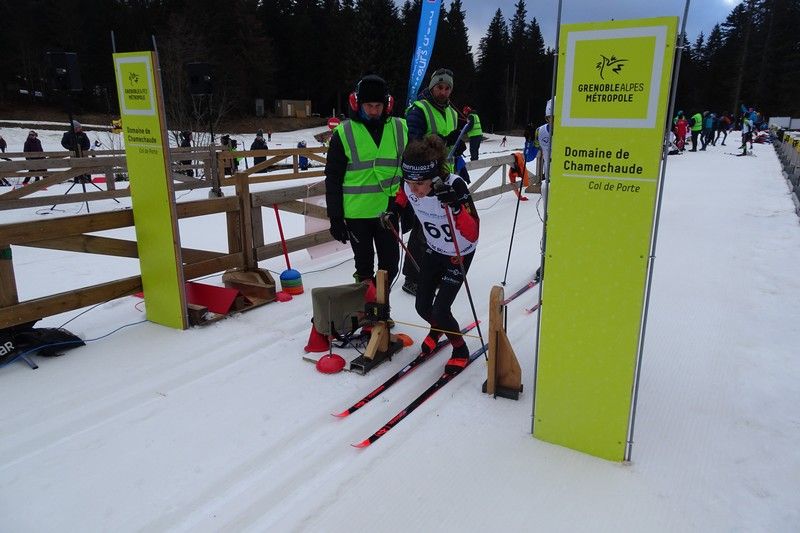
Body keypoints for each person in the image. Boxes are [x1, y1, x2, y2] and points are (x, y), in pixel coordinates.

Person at [381, 135, 479, 374]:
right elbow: (402, 195)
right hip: (434, 250)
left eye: (419, 184)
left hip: (459, 253)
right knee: (422, 307)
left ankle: (459, 348)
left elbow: (473, 232)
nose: (414, 189)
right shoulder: (410, 184)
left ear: (435, 177)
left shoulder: (454, 186)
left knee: (440, 310)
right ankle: (437, 329)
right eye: (409, 182)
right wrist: (394, 211)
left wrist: (456, 206)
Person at [324, 74, 408, 284]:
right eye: (368, 105)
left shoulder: (400, 128)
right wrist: (335, 217)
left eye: (378, 105)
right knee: (364, 267)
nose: (373, 111)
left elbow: (410, 173)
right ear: (357, 103)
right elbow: (332, 178)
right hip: (356, 215)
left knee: (389, 266)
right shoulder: (344, 133)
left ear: (387, 104)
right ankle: (368, 312)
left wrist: (409, 208)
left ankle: (381, 310)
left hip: (388, 212)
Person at [402, 67, 469, 295]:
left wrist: (457, 146)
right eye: (440, 87)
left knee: (441, 225)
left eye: (447, 88)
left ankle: (433, 273)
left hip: (443, 174)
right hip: (421, 176)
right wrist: (443, 141)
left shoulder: (450, 111)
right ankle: (412, 276)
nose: (443, 91)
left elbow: (452, 142)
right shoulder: (419, 109)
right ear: (432, 87)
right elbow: (413, 142)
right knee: (423, 225)